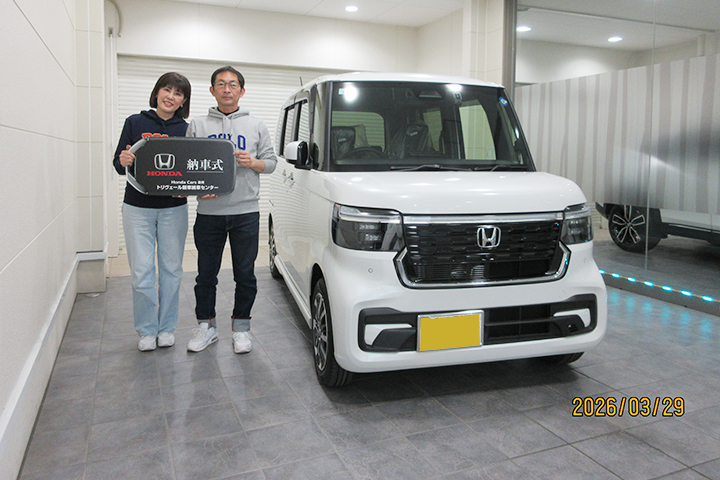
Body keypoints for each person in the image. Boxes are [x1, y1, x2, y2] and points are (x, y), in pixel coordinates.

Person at [186, 66, 277, 354]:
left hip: (245, 213)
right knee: (205, 275)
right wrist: (198, 189)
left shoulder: (256, 125)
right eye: (221, 84)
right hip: (209, 213)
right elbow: (187, 166)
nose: (227, 89)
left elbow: (271, 163)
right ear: (212, 90)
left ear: (242, 91)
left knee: (245, 275)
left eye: (233, 84)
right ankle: (206, 327)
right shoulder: (197, 125)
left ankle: (242, 329)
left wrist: (253, 162)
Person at [113, 72, 192, 351]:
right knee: (141, 271)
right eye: (167, 90)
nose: (171, 96)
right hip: (137, 208)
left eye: (178, 93)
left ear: (183, 101)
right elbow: (118, 164)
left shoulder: (187, 129)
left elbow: (192, 169)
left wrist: (188, 187)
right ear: (157, 92)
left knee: (172, 270)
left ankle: (166, 328)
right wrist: (123, 159)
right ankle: (147, 330)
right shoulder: (135, 122)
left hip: (173, 209)